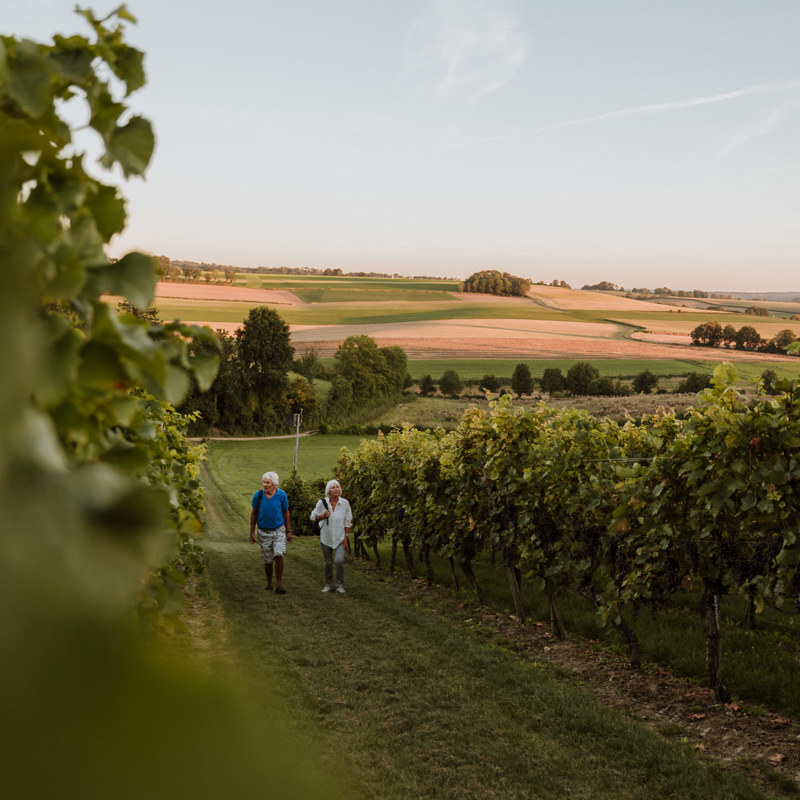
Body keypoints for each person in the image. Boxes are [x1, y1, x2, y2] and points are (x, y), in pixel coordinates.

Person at [249, 471, 292, 594]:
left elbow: (286, 513)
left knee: (279, 555)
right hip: (263, 532)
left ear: (274, 484)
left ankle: (279, 584)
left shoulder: (281, 495)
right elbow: (254, 514)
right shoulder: (258, 495)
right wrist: (252, 532)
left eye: (268, 482)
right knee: (268, 561)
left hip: (279, 530)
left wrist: (288, 531)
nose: (265, 485)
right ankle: (269, 583)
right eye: (264, 482)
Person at [311, 479, 352, 594]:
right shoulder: (322, 503)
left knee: (339, 561)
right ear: (329, 490)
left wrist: (346, 538)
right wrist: (322, 516)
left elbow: (347, 522)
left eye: (337, 487)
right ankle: (328, 584)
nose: (336, 489)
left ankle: (339, 585)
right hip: (326, 537)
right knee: (328, 562)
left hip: (340, 538)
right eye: (333, 487)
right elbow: (313, 517)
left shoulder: (345, 503)